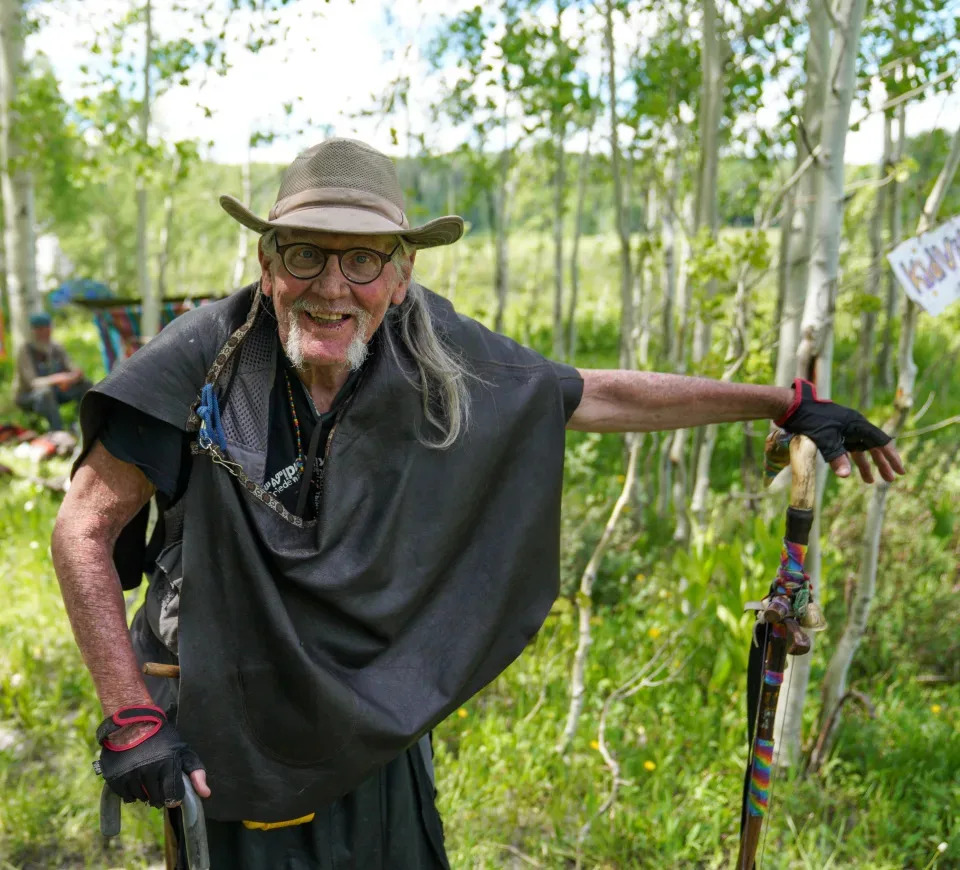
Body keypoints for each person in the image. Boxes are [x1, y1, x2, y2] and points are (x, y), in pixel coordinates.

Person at [51, 138, 904, 869]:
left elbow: (588, 396)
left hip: (366, 706)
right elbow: (83, 530)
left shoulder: (430, 345)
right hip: (220, 708)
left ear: (403, 270)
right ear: (269, 262)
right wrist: (130, 717)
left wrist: (776, 402)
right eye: (306, 253)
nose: (332, 288)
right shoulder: (199, 360)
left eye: (363, 260)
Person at [13, 312, 91, 431]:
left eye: (47, 328)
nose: (44, 332)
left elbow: (71, 367)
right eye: (40, 330)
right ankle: (57, 431)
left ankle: (83, 425)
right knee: (45, 393)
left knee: (86, 385)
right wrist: (58, 379)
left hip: (56, 391)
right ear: (33, 331)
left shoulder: (56, 347)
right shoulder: (25, 350)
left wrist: (74, 376)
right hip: (28, 395)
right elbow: (32, 382)